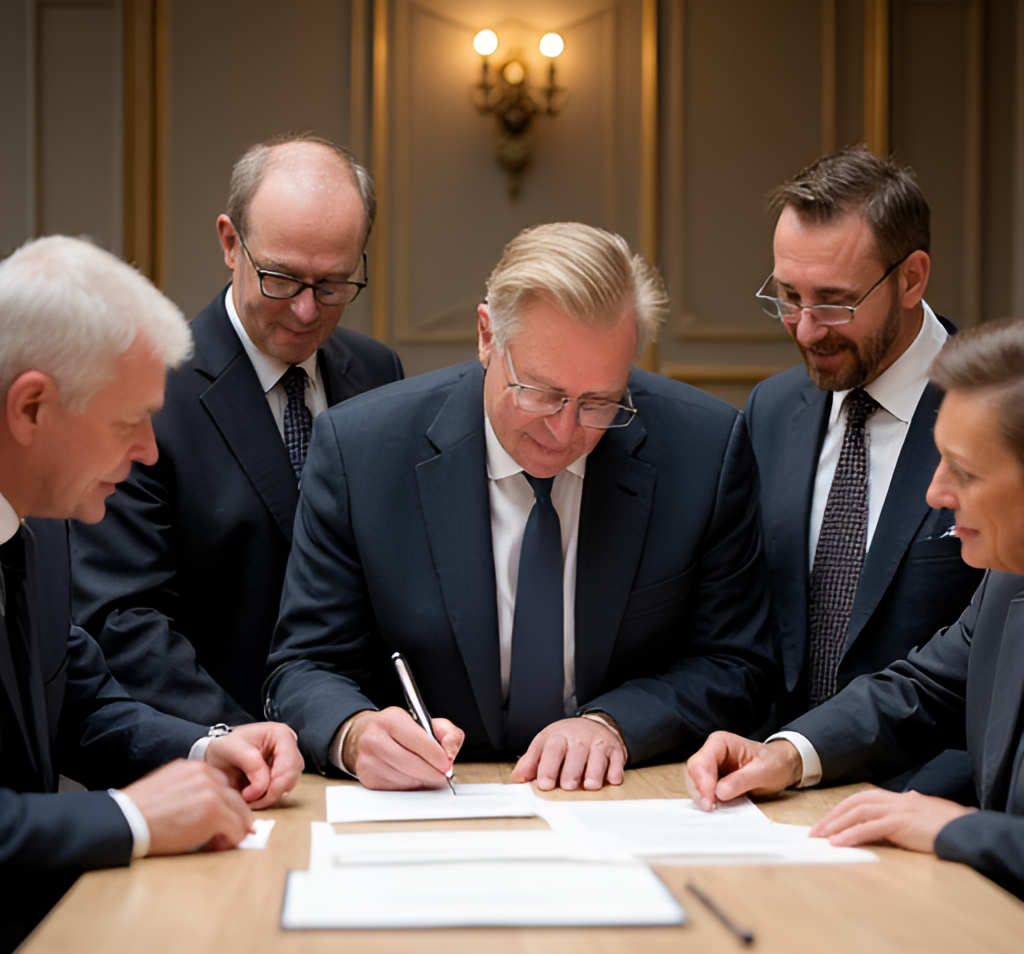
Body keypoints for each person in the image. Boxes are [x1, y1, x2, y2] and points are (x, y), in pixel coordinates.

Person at [264, 222, 777, 793]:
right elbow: (304, 667)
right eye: (540, 392)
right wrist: (357, 734)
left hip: (624, 800)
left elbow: (738, 666)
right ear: (487, 336)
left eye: (599, 402)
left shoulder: (704, 449)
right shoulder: (361, 450)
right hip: (429, 804)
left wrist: (615, 724)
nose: (562, 433)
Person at [0, 236, 303, 954]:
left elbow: (81, 704)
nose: (147, 452)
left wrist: (207, 747)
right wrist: (129, 818)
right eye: (128, 421)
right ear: (31, 407)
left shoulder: (42, 516)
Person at [70, 134, 403, 726]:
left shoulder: (379, 373)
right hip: (219, 754)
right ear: (230, 243)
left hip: (364, 754)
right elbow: (122, 619)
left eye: (332, 285)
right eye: (281, 278)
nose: (306, 310)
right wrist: (248, 744)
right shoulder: (149, 391)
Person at [686, 318, 1024, 899]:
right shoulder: (1004, 581)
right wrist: (788, 755)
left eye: (965, 472)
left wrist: (960, 827)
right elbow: (925, 688)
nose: (936, 493)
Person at [747, 146, 982, 735]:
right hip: (768, 793)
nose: (805, 328)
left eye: (832, 300)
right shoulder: (769, 412)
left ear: (911, 278)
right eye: (788, 296)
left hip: (926, 800)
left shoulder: (995, 413)